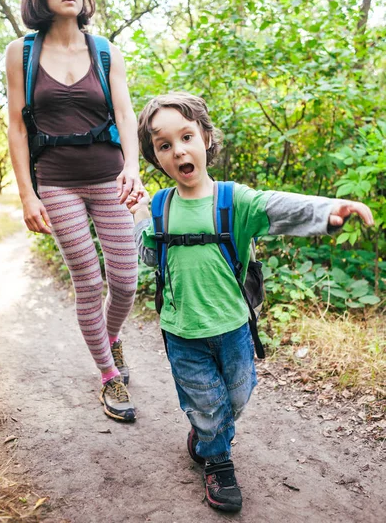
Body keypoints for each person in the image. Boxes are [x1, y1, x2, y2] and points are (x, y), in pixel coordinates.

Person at [126, 92, 374, 512]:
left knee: (238, 395)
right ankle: (218, 460)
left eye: (186, 136)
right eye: (164, 145)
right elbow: (149, 257)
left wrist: (330, 210)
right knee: (205, 401)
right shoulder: (159, 206)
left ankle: (207, 432)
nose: (178, 150)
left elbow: (276, 206)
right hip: (182, 330)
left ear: (205, 137)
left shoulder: (232, 200)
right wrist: (137, 219)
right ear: (155, 156)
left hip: (233, 327)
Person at [6, 0, 141, 423]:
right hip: (57, 182)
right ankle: (109, 376)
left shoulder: (104, 50)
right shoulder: (21, 53)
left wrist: (133, 168)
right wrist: (27, 193)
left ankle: (112, 336)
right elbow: (17, 128)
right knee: (87, 280)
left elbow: (124, 114)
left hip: (108, 175)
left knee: (125, 281)